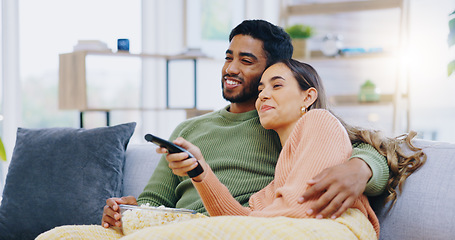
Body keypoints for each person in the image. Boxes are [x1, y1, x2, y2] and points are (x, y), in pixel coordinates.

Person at [36, 19, 390, 239]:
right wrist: (129, 210)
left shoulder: (284, 121)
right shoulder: (192, 126)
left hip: (231, 229)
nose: (231, 68)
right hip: (193, 224)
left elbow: (360, 145)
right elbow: (154, 200)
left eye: (247, 61)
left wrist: (362, 168)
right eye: (228, 56)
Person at [120, 60, 425, 239]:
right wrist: (200, 171)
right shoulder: (280, 176)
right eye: (262, 88)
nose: (263, 94)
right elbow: (240, 217)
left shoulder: (319, 122)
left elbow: (300, 211)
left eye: (276, 86)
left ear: (308, 97)